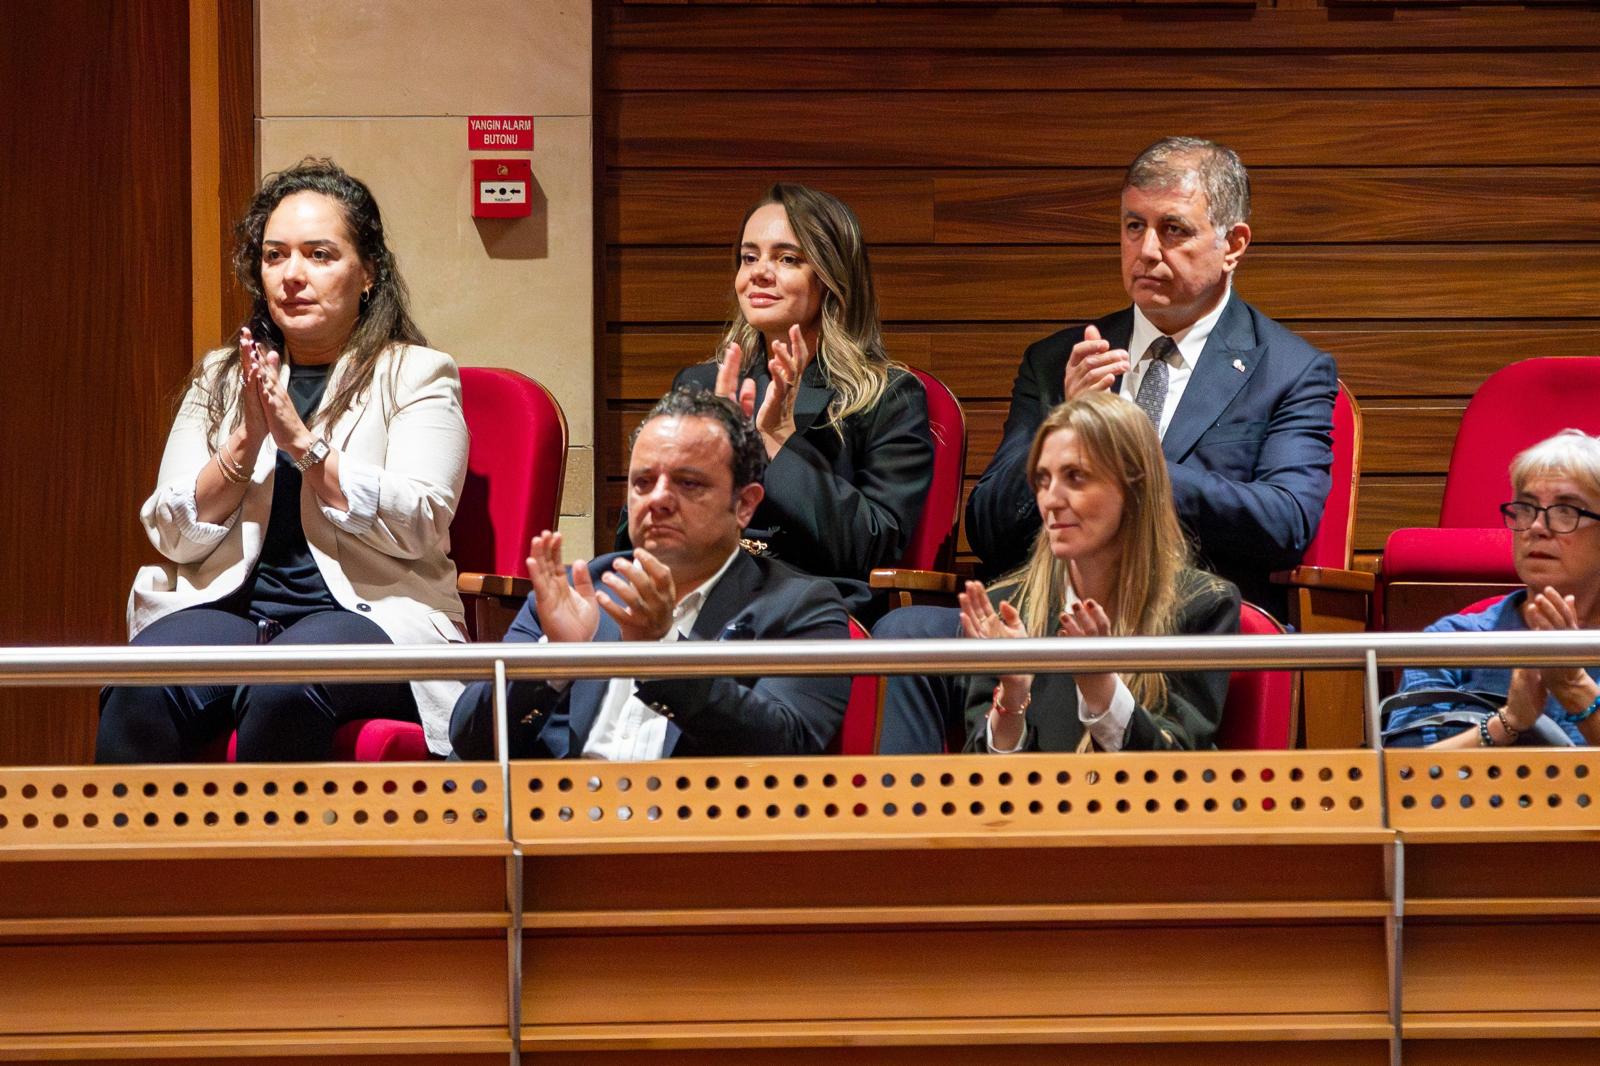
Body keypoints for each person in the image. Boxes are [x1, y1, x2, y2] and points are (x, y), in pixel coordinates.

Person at [97, 158, 469, 762]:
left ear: (368, 272)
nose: (292, 275)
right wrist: (243, 441)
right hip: (234, 607)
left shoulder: (418, 375)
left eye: (319, 255)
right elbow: (171, 534)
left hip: (370, 614)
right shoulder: (223, 377)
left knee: (283, 685)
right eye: (275, 256)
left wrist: (305, 445)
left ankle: (269, 860)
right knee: (139, 686)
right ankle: (136, 859)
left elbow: (421, 522)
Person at [963, 136, 1336, 615]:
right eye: (1134, 226)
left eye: (1173, 229)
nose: (1147, 251)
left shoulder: (1288, 370)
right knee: (909, 630)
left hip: (1192, 612)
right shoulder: (1058, 361)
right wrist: (1062, 425)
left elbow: (1286, 522)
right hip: (1055, 608)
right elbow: (988, 527)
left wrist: (1132, 467)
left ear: (1233, 245)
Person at [452, 387, 850, 760]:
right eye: (643, 482)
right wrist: (551, 661)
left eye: (688, 482)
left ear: (745, 505)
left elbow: (788, 748)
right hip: (563, 823)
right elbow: (468, 742)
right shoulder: (579, 589)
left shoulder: (799, 606)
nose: (658, 498)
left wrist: (662, 655)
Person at [617, 182, 932, 620]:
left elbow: (869, 545)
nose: (759, 273)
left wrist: (776, 437)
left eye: (786, 259)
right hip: (692, 594)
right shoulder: (700, 384)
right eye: (749, 257)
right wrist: (708, 449)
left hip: (808, 607)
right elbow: (630, 535)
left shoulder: (888, 395)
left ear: (831, 278)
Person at [939, 393, 1239, 753]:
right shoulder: (1004, 610)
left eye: (1075, 476)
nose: (1051, 499)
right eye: (1043, 480)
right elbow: (978, 793)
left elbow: (1177, 779)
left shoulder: (1201, 606)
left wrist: (1101, 687)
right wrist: (1013, 697)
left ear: (1134, 487)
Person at [1386, 430, 1600, 748]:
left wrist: (1576, 689)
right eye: (1526, 509)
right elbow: (1400, 779)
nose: (1537, 528)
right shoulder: (1451, 642)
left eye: (1565, 511)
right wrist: (1508, 722)